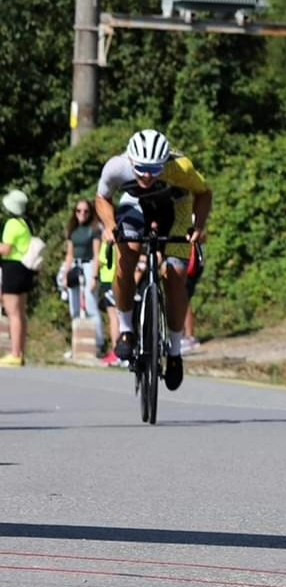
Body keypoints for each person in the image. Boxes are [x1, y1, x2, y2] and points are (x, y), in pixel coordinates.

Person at [95, 129, 212, 393]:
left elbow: (204, 194)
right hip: (134, 204)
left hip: (176, 208)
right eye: (142, 169)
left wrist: (200, 226)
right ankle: (125, 330)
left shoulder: (181, 167)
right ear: (131, 161)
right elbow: (102, 198)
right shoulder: (117, 167)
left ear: (165, 163)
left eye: (155, 169)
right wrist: (111, 225)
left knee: (175, 275)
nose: (148, 175)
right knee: (128, 254)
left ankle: (173, 351)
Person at [61, 199, 106, 358]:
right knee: (74, 306)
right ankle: (76, 344)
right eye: (79, 211)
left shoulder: (94, 230)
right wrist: (66, 274)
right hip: (75, 266)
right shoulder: (73, 230)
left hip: (88, 266)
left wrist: (94, 276)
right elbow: (69, 254)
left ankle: (98, 343)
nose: (82, 214)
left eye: (85, 211)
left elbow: (97, 254)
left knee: (90, 304)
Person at [0, 189, 34, 367]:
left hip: (12, 269)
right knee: (20, 313)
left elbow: (5, 250)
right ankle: (19, 352)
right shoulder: (25, 223)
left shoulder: (11, 224)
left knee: (13, 313)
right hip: (24, 269)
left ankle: (14, 353)